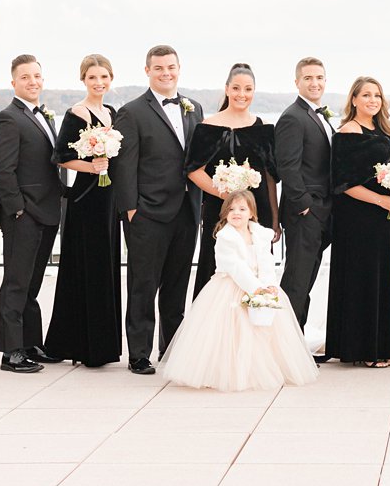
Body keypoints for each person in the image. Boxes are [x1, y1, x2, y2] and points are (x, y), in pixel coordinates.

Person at [159, 190, 318, 392]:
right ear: (225, 213)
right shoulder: (225, 237)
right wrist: (256, 288)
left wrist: (268, 284)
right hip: (231, 286)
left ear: (251, 213)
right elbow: (235, 267)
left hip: (259, 284)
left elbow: (266, 261)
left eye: (242, 209)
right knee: (230, 332)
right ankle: (223, 371)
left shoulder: (260, 234)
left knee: (263, 329)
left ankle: (265, 368)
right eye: (232, 209)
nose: (237, 213)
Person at [112, 44, 203, 376]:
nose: (166, 73)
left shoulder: (195, 108)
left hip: (186, 211)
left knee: (177, 283)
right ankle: (138, 352)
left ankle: (172, 347)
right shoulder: (132, 112)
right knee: (143, 284)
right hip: (148, 213)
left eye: (171, 67)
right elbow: (124, 167)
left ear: (179, 68)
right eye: (160, 68)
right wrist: (131, 211)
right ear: (147, 71)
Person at [46, 54, 123, 368]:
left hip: (108, 200)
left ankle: (103, 346)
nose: (99, 83)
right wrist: (91, 167)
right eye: (93, 77)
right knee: (84, 269)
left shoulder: (112, 113)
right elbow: (60, 156)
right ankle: (79, 345)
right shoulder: (76, 113)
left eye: (104, 77)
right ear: (83, 80)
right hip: (86, 199)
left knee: (105, 267)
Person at [324, 77, 390, 366]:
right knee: (363, 280)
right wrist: (382, 200)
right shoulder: (348, 132)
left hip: (385, 217)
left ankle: (379, 346)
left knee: (384, 279)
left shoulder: (385, 131)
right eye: (366, 95)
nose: (373, 100)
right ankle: (362, 350)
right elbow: (344, 183)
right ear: (354, 100)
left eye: (377, 95)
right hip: (358, 219)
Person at [0, 54, 65, 374]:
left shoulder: (44, 116)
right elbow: (3, 171)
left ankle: (31, 343)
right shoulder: (8, 118)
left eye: (37, 76)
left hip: (47, 211)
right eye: (25, 77)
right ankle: (11, 351)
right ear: (13, 83)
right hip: (24, 214)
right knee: (16, 283)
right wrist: (17, 209)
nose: (32, 82)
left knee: (33, 283)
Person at [185, 64, 277, 295]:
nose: (241, 94)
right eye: (236, 88)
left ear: (254, 91)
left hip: (256, 210)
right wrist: (223, 194)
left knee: (257, 270)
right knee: (217, 270)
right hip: (220, 209)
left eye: (248, 89)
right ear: (226, 89)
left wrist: (274, 219)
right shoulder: (207, 127)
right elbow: (194, 171)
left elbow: (269, 178)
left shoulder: (263, 128)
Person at [275, 56, 334, 333]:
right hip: (305, 214)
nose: (315, 83)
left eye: (319, 77)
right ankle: (285, 342)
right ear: (297, 81)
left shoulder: (318, 114)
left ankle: (295, 339)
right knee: (296, 282)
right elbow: (287, 166)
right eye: (308, 78)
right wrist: (305, 206)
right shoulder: (292, 117)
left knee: (307, 279)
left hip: (321, 211)